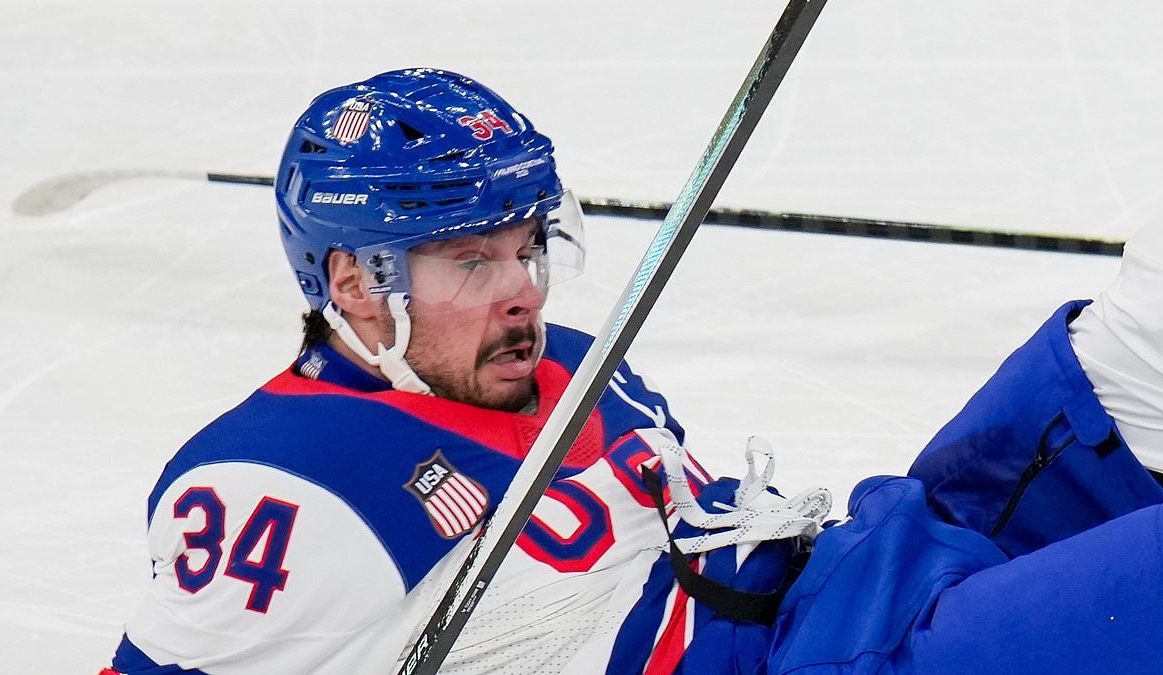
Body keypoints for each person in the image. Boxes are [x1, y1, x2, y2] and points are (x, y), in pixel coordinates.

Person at [104, 69, 1163, 675]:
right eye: (471, 260)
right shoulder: (280, 485)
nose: (521, 289)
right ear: (356, 283)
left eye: (527, 245)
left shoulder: (565, 362)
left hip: (881, 563)